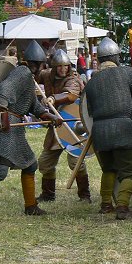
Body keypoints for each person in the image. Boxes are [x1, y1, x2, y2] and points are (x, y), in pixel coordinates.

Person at [0, 41, 61, 220]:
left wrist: (49, 116)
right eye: (41, 65)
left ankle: (31, 206)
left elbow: (33, 106)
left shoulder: (27, 77)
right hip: (5, 127)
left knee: (30, 164)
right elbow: (4, 90)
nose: (42, 68)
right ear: (36, 63)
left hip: (14, 130)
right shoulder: (22, 72)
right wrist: (2, 112)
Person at [85, 37, 132, 219]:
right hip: (122, 127)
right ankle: (122, 207)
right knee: (130, 171)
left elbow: (89, 111)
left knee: (109, 169)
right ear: (116, 57)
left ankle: (106, 204)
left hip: (100, 130)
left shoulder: (91, 82)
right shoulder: (126, 73)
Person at [35, 49, 89, 202]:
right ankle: (48, 194)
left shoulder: (73, 79)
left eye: (65, 66)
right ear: (54, 66)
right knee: (45, 162)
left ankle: (85, 195)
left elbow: (71, 95)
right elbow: (36, 76)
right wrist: (34, 64)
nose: (63, 69)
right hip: (56, 125)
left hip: (73, 124)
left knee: (76, 162)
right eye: (59, 66)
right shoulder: (48, 75)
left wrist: (53, 98)